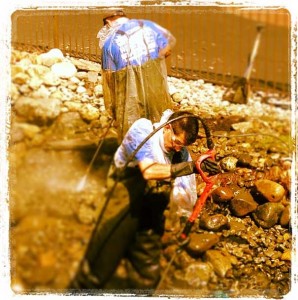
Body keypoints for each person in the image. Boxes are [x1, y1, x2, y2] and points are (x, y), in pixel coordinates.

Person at [102, 109, 220, 289]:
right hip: (119, 207)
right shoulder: (143, 131)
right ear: (167, 128)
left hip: (148, 215)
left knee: (148, 278)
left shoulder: (180, 153)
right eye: (177, 141)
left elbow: (184, 193)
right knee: (100, 269)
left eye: (183, 145)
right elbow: (149, 171)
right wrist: (191, 167)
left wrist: (182, 220)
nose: (178, 148)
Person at [97, 8, 176, 143]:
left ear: (108, 22)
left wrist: (116, 104)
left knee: (132, 131)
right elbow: (167, 51)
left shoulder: (109, 44)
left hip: (129, 97)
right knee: (159, 125)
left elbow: (110, 77)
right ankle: (162, 156)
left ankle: (136, 161)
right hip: (154, 90)